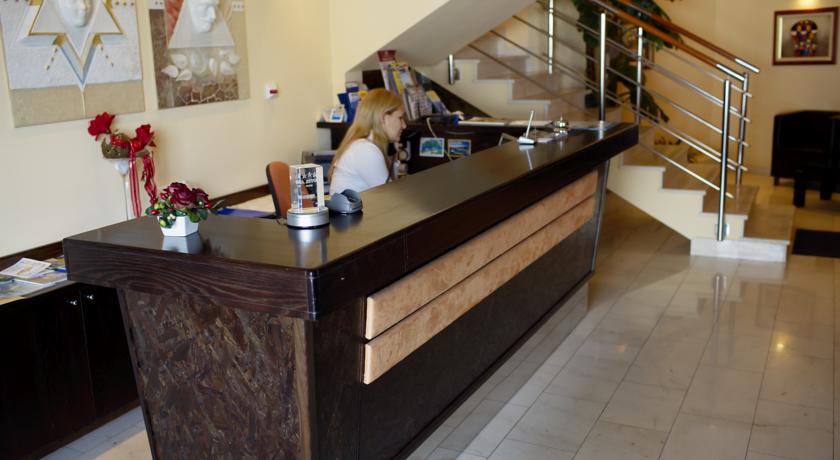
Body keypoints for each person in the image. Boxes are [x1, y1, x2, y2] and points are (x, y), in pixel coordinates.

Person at [329, 88, 406, 193]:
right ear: (383, 118)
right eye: (400, 118)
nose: (404, 125)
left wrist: (392, 155)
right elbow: (391, 196)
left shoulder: (363, 145)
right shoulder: (365, 150)